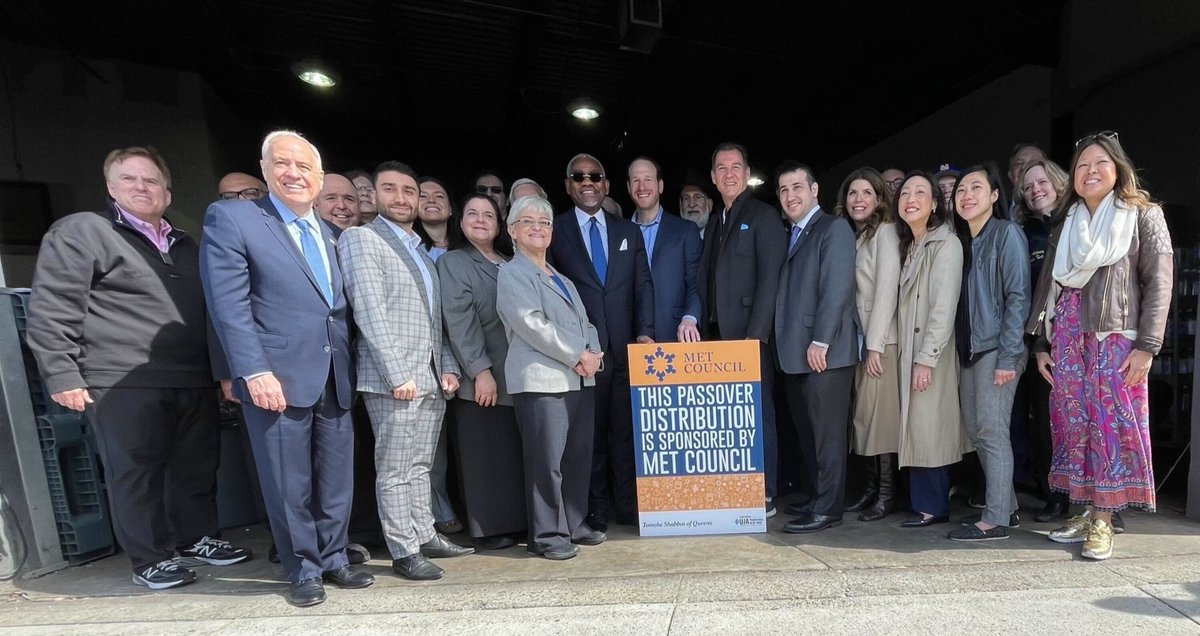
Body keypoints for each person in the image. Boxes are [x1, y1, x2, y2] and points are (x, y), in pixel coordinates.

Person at [28, 146, 251, 591]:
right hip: (121, 379)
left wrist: (224, 372)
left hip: (191, 375)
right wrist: (62, 371)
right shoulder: (83, 231)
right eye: (129, 179)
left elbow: (215, 314)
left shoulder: (186, 244)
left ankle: (196, 537)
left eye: (150, 181)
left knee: (195, 466)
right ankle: (150, 558)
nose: (141, 188)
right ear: (111, 188)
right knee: (136, 471)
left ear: (167, 193)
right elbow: (53, 305)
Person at [201, 131, 371, 607]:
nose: (293, 173)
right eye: (283, 163)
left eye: (304, 167)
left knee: (335, 477)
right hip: (275, 375)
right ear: (265, 168)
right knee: (287, 480)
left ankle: (335, 557)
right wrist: (253, 370)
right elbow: (227, 305)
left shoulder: (333, 233)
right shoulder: (235, 218)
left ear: (319, 177)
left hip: (335, 372)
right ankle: (303, 568)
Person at [1030, 131, 1172, 560]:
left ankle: (1105, 521)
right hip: (1069, 338)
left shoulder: (1143, 216)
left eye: (1101, 163)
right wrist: (1040, 342)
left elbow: (1158, 283)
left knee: (1110, 426)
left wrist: (1147, 346)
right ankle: (1085, 509)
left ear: (1118, 169)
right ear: (1073, 177)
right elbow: (1047, 287)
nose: (1091, 171)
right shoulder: (1066, 223)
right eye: (1082, 166)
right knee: (1076, 426)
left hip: (1115, 339)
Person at [337, 161, 474, 582]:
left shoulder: (419, 250)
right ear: (374, 196)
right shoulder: (361, 239)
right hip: (394, 379)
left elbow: (436, 321)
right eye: (391, 190)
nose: (401, 198)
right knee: (395, 469)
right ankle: (403, 548)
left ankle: (425, 533)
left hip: (430, 377)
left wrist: (448, 368)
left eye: (409, 191)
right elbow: (370, 311)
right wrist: (397, 374)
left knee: (420, 465)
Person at [497, 195, 607, 560]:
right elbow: (531, 324)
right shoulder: (512, 272)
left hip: (578, 380)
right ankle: (546, 535)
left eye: (544, 223)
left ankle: (573, 524)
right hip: (541, 382)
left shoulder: (560, 278)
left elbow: (586, 322)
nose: (538, 228)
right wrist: (579, 354)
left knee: (576, 458)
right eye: (528, 221)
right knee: (546, 463)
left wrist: (593, 355)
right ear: (512, 231)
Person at [549, 153, 654, 531]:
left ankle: (628, 505)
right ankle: (595, 509)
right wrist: (572, 348)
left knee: (625, 434)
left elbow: (642, 284)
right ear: (568, 185)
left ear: (607, 184)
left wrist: (644, 332)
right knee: (589, 439)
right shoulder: (555, 231)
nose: (587, 181)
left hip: (627, 349)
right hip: (583, 355)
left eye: (595, 176)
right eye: (578, 176)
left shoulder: (627, 231)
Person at [699, 142, 786, 516]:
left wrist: (756, 335)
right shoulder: (717, 219)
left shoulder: (763, 215)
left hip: (750, 336)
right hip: (718, 334)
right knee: (730, 416)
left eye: (736, 167)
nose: (729, 173)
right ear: (714, 177)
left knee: (758, 412)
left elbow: (771, 276)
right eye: (722, 168)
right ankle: (735, 485)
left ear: (747, 173)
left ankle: (764, 491)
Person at [773, 162, 858, 534]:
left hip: (825, 352)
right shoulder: (792, 232)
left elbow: (837, 287)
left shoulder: (833, 228)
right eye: (783, 190)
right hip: (796, 354)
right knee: (808, 432)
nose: (790, 196)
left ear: (814, 190)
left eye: (797, 187)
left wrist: (821, 339)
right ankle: (816, 497)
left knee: (827, 436)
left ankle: (829, 508)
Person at [437, 193, 525, 551]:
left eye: (488, 214)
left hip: (514, 378)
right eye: (471, 213)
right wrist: (480, 370)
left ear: (499, 223)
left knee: (507, 455)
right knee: (485, 457)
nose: (480, 219)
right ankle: (489, 528)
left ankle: (515, 522)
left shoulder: (508, 262)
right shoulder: (454, 262)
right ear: (460, 222)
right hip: (483, 382)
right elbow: (459, 321)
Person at [946, 166, 1030, 542]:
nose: (966, 195)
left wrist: (1009, 357)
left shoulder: (1005, 233)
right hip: (970, 350)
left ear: (995, 195)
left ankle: (994, 519)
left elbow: (1018, 297)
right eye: (961, 189)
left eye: (976, 188)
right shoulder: (965, 240)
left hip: (997, 349)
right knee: (977, 432)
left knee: (993, 432)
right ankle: (1006, 508)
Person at [893, 171, 969, 528]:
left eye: (920, 192)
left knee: (929, 428)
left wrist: (926, 359)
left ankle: (933, 505)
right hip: (910, 351)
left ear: (936, 203)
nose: (910, 197)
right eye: (905, 192)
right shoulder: (911, 244)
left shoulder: (947, 244)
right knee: (918, 426)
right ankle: (924, 503)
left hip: (930, 354)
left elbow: (943, 307)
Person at [833, 167, 901, 522]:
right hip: (864, 342)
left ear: (879, 198)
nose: (858, 200)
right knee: (866, 420)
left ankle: (886, 495)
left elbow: (887, 291)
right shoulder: (859, 235)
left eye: (866, 193)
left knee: (881, 421)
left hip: (882, 342)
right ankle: (872, 489)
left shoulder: (886, 233)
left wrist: (874, 346)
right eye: (852, 193)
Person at [1015, 159, 1072, 521]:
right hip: (1045, 343)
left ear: (1058, 182)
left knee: (1089, 422)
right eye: (1027, 185)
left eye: (1042, 181)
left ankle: (1103, 505)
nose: (1036, 189)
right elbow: (1029, 295)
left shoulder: (1080, 221)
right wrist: (1038, 346)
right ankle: (1056, 497)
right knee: (1046, 423)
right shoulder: (1023, 233)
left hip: (1086, 339)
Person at [416, 176, 466, 535]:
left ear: (452, 208)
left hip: (469, 358)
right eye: (423, 195)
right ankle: (437, 509)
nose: (431, 201)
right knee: (433, 447)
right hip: (428, 360)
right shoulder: (410, 248)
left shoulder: (467, 249)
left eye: (440, 195)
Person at [627, 156, 703, 343]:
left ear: (660, 186)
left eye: (648, 179)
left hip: (676, 334)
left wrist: (690, 318)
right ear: (629, 188)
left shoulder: (685, 231)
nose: (642, 187)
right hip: (629, 338)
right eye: (636, 180)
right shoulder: (617, 234)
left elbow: (696, 281)